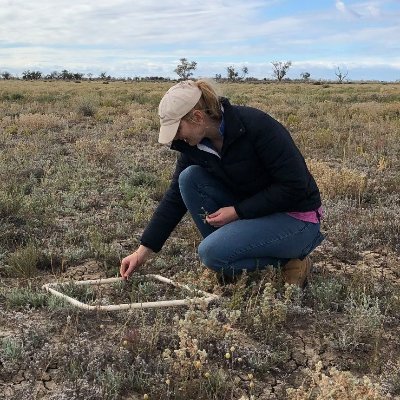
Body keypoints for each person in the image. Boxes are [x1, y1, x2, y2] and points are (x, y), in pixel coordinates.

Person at [120, 80, 324, 287]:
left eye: (178, 128)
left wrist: (238, 211)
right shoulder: (194, 146)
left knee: (211, 253)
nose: (176, 137)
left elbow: (294, 186)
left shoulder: (256, 126)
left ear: (198, 117)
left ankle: (291, 262)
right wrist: (142, 251)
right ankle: (230, 265)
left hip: (297, 219)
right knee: (189, 178)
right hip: (256, 213)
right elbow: (174, 198)